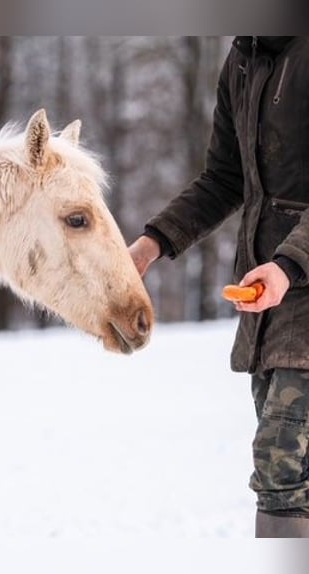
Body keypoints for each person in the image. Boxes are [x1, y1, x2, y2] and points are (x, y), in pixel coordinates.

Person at [129, 36, 309, 538]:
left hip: (291, 282)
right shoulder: (244, 60)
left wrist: (287, 266)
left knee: (281, 465)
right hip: (270, 305)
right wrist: (151, 244)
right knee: (292, 477)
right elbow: (225, 178)